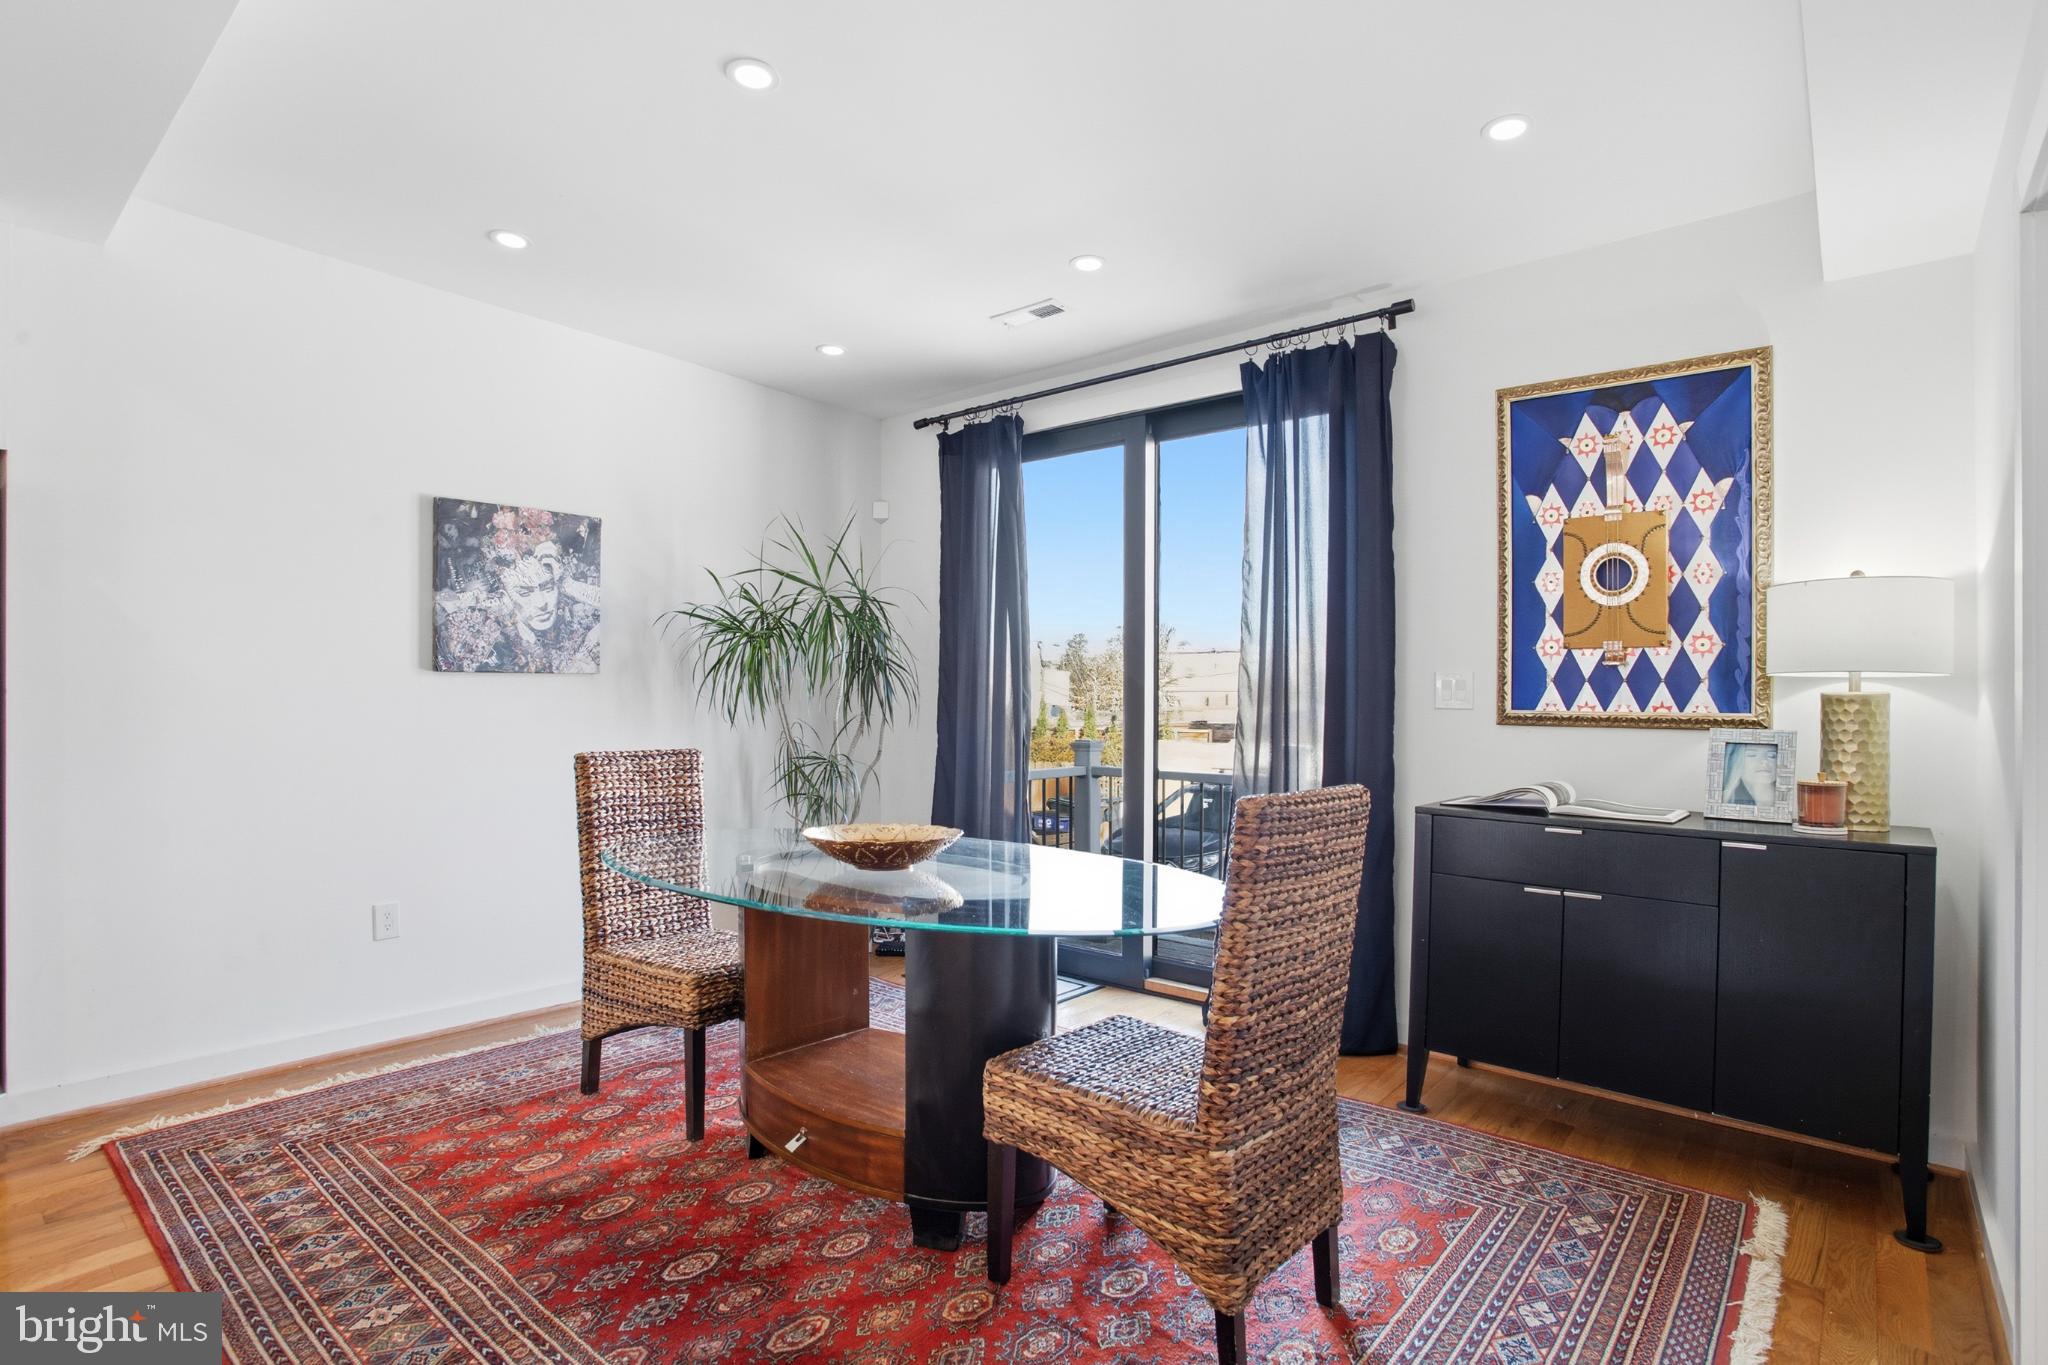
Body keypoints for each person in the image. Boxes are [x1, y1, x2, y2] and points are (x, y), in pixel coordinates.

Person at [435, 503, 601, 672]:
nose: (541, 602)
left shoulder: (584, 625)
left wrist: (568, 584)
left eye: (547, 587)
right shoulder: (494, 633)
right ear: (504, 593)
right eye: (524, 592)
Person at [1720, 742, 1777, 807]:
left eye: (1772, 756)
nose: (1764, 761)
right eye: (1752, 755)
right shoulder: (1726, 800)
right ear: (1738, 760)